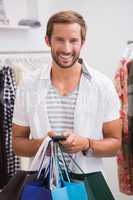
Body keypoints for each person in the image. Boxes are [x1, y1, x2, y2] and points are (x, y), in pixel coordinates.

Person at [12, 10, 121, 173]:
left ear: (82, 43)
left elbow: (115, 144)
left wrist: (86, 144)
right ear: (48, 41)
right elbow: (17, 144)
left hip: (87, 188)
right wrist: (43, 146)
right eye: (60, 40)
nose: (67, 49)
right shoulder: (28, 85)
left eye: (73, 40)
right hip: (42, 188)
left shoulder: (103, 85)